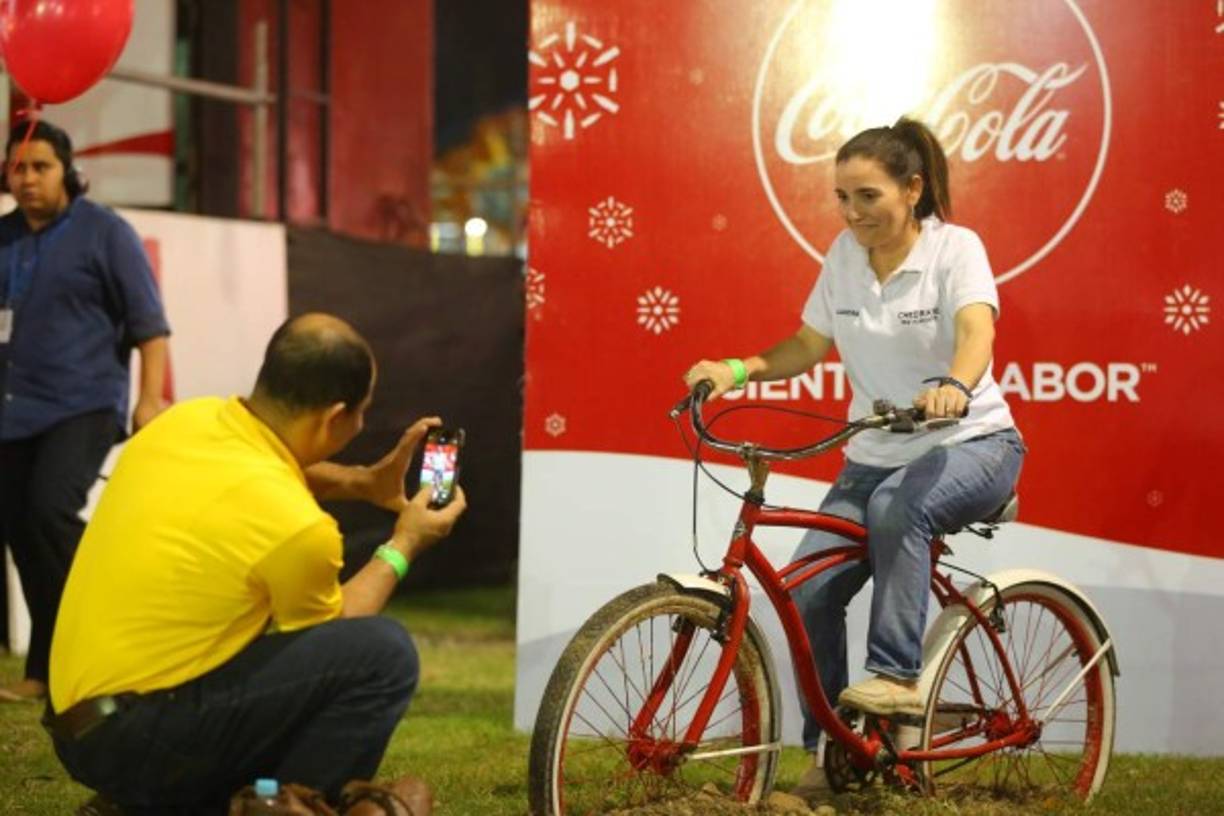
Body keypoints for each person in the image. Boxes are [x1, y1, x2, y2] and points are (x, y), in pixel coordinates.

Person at [683, 117, 1025, 801]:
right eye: (841, 196)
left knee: (900, 507)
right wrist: (737, 368)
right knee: (807, 589)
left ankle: (895, 677)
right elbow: (809, 346)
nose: (852, 212)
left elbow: (975, 328)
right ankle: (833, 755)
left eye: (867, 195)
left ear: (913, 188)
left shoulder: (955, 248)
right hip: (874, 454)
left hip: (973, 444)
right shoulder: (843, 254)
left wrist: (955, 386)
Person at [45, 314, 466, 814]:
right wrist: (405, 544)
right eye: (362, 413)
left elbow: (279, 470)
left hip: (75, 727)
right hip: (140, 737)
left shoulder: (187, 421)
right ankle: (273, 806)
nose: (362, 425)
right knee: (383, 655)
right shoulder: (299, 528)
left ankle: (153, 803)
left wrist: (362, 483)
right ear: (335, 417)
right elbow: (340, 630)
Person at [0, 119, 171, 704]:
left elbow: (151, 329)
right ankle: (46, 674)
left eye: (40, 167)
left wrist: (148, 400)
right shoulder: (2, 238)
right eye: (18, 167)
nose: (27, 180)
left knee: (49, 510)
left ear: (67, 172)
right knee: (23, 535)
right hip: (12, 414)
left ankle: (122, 625)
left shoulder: (106, 233)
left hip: (85, 406)